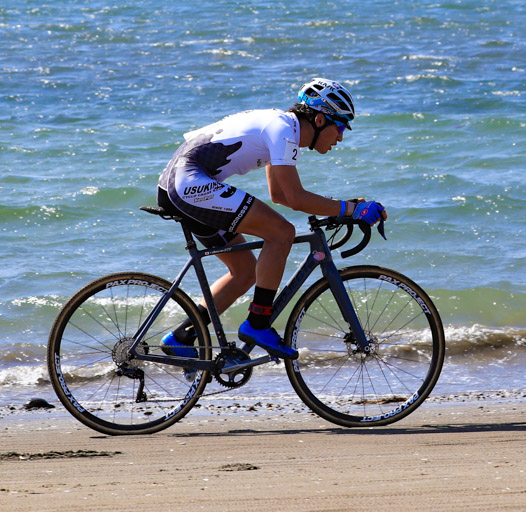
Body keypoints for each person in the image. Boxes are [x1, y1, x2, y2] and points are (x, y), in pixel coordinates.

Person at [156, 78, 386, 360]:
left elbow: (280, 195)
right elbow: (296, 198)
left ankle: (182, 337)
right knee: (281, 233)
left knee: (245, 272)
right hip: (188, 185)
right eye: (340, 127)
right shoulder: (283, 130)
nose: (340, 137)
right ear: (319, 119)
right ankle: (257, 324)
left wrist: (347, 206)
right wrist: (350, 210)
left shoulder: (282, 129)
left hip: (181, 185)